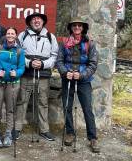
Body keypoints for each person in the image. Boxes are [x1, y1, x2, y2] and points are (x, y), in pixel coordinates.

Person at [56, 17, 100, 153]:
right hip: (68, 79)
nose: (77, 28)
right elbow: (59, 61)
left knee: (87, 109)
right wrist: (64, 72)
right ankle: (70, 133)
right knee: (67, 107)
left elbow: (93, 64)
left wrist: (82, 74)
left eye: (79, 26)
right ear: (71, 28)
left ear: (83, 28)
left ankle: (92, 137)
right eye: (74, 26)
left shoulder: (89, 44)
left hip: (84, 81)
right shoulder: (64, 43)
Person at [15, 12, 58, 141]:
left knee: (43, 102)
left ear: (43, 21)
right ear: (30, 22)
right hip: (27, 74)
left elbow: (54, 56)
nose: (36, 21)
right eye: (33, 19)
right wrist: (28, 63)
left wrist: (43, 64)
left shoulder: (50, 37)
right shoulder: (22, 36)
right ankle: (17, 128)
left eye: (38, 19)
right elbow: (18, 53)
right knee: (22, 101)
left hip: (43, 75)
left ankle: (44, 130)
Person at [0, 27, 25, 147]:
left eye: (12, 33)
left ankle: (8, 134)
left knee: (10, 109)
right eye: (8, 33)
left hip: (12, 83)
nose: (10, 35)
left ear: (16, 36)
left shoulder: (19, 51)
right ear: (6, 35)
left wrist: (17, 73)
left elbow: (22, 67)